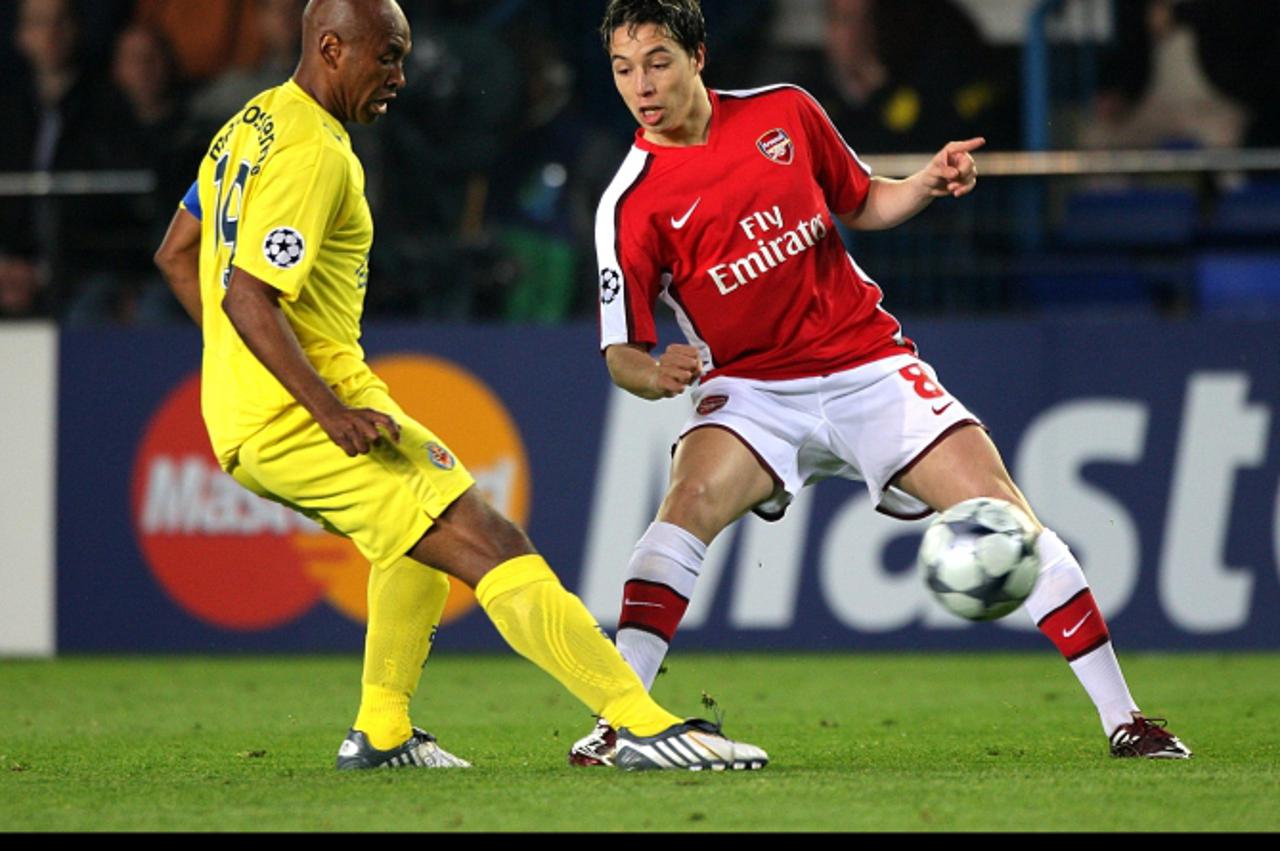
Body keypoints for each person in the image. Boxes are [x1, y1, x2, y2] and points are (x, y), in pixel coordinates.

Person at [570, 0, 1191, 767]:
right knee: (684, 507)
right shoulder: (630, 202)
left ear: (698, 56)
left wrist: (924, 181)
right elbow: (619, 354)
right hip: (755, 389)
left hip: (868, 364)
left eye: (657, 60)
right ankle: (618, 719)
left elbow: (862, 199)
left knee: (1007, 518)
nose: (642, 84)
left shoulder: (786, 114)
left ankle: (1125, 719)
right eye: (624, 69)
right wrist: (654, 371)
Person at [152, 0, 767, 773]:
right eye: (387, 57)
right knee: (488, 538)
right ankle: (637, 720)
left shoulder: (252, 121)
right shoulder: (313, 150)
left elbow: (178, 253)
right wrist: (326, 407)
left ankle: (380, 730)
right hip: (300, 413)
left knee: (408, 537)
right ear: (333, 47)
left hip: (264, 408)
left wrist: (241, 371)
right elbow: (248, 294)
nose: (401, 77)